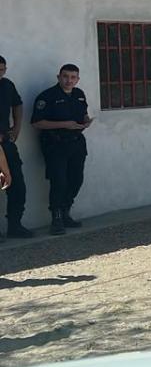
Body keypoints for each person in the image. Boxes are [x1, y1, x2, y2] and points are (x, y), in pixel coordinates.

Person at [31, 64, 92, 236]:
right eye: (65, 76)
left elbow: (83, 114)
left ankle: (65, 211)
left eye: (73, 77)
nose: (69, 81)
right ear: (58, 77)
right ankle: (56, 218)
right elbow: (37, 122)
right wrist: (65, 124)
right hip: (55, 144)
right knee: (59, 181)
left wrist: (86, 121)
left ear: (77, 80)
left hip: (76, 143)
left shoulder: (79, 95)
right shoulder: (47, 96)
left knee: (76, 179)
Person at [0, 55, 32, 238]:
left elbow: (17, 104)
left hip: (6, 142)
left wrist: (17, 126)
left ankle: (15, 225)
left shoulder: (7, 85)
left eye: (2, 70)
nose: (0, 74)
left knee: (17, 185)